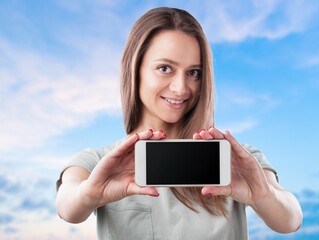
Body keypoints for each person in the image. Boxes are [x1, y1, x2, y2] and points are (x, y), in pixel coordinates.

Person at [56, 7, 302, 240]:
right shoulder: (98, 162)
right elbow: (68, 206)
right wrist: (90, 194)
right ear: (135, 69)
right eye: (165, 68)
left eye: (194, 72)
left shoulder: (234, 159)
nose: (181, 88)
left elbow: (290, 219)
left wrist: (262, 195)